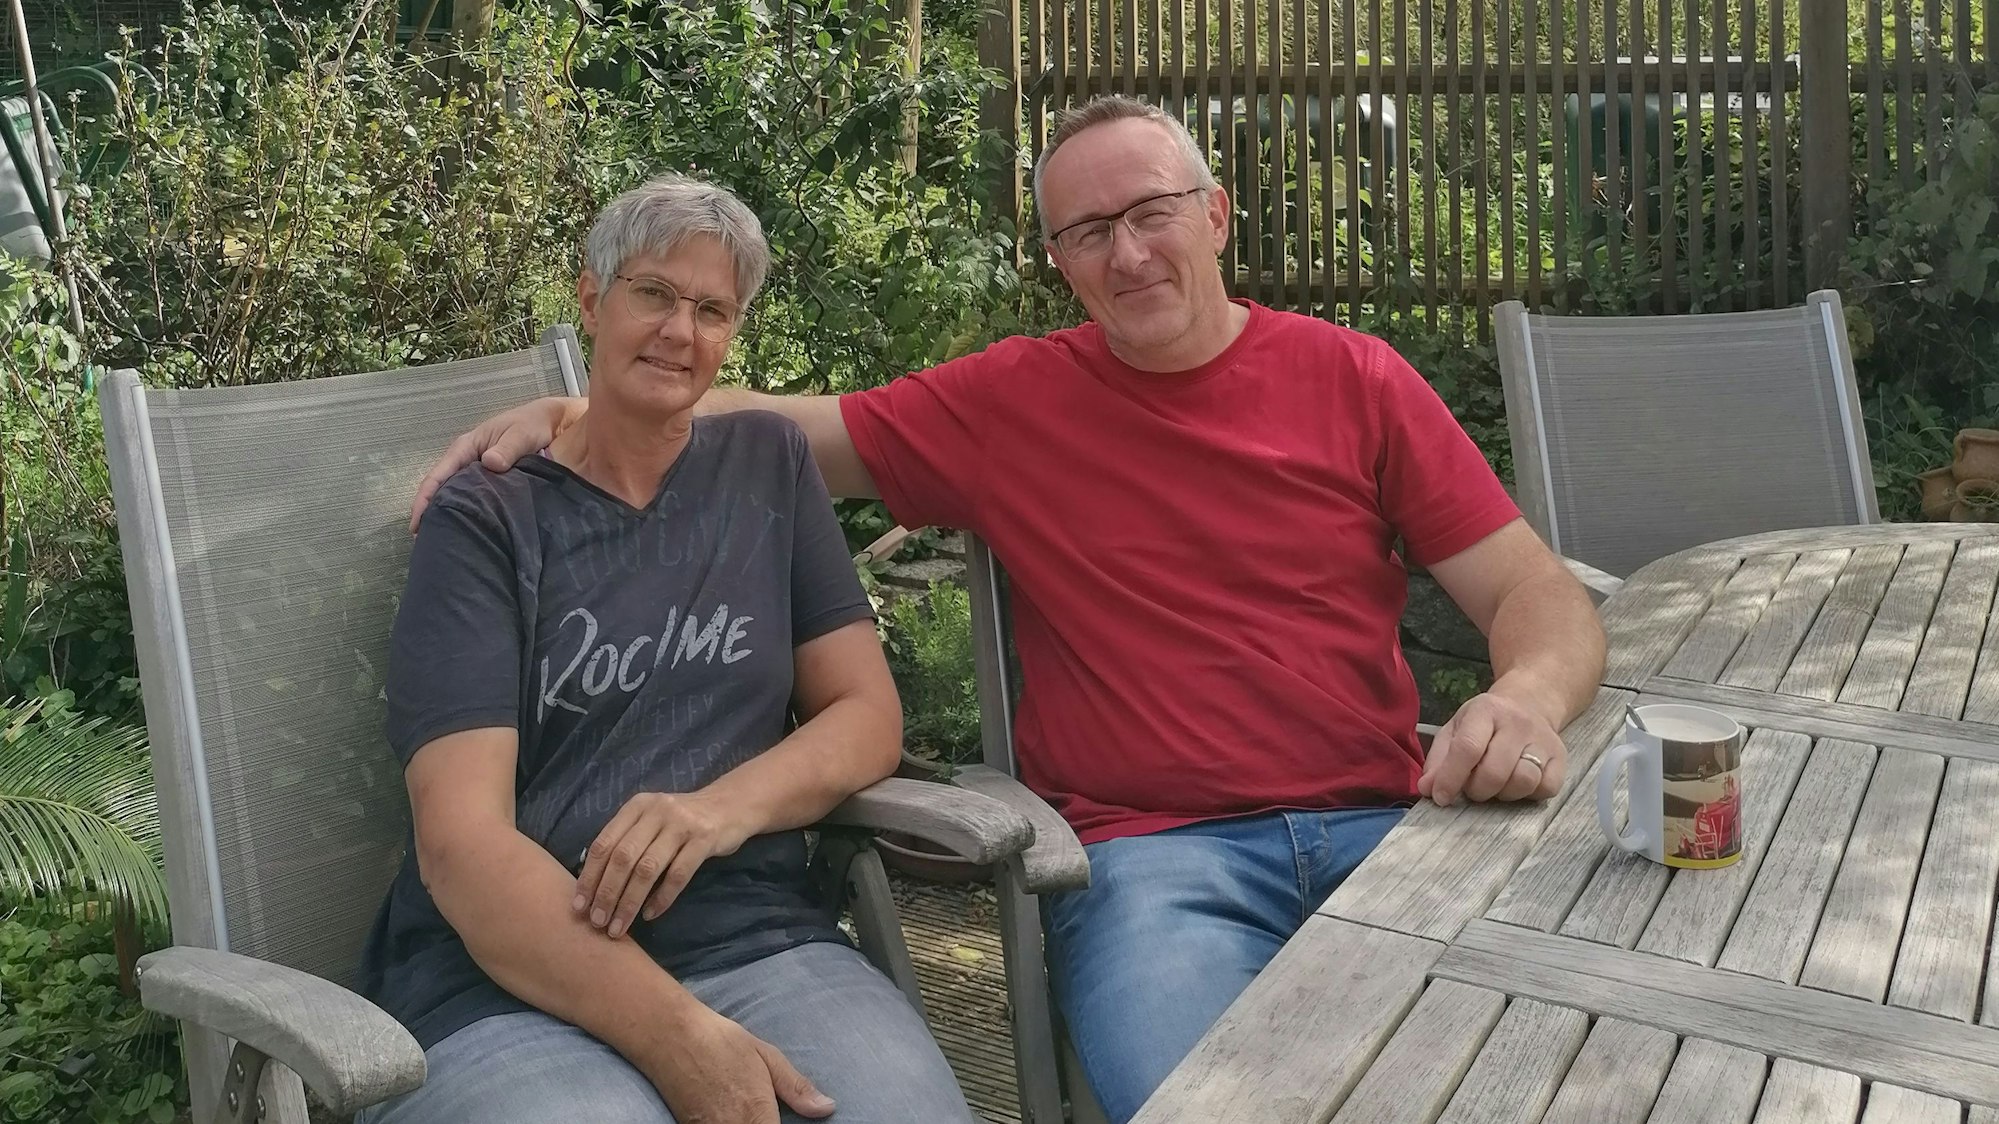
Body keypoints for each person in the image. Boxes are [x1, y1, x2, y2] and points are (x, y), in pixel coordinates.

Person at [412, 97, 1608, 1123]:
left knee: (1552, 1075)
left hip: (1387, 827)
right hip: (1154, 866)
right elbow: (763, 414)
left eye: (1150, 213)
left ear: (1215, 214)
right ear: (1059, 259)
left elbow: (1534, 594)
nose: (1127, 252)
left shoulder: (1356, 378)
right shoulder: (1013, 400)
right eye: (1087, 232)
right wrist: (578, 415)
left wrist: (1520, 698)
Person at [358, 173, 978, 1124]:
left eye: (711, 309)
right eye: (652, 293)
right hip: (509, 972)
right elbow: (461, 844)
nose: (679, 332)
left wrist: (715, 811)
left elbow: (865, 715)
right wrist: (677, 1033)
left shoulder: (768, 468)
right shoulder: (489, 521)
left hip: (756, 942)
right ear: (590, 297)